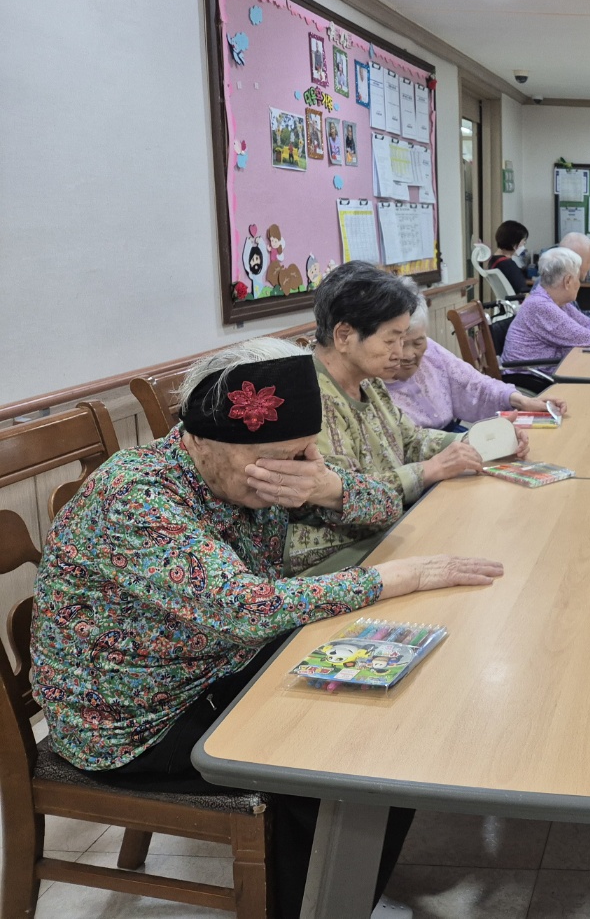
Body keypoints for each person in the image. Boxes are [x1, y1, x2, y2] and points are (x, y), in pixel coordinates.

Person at [30, 338, 505, 919]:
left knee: (388, 712)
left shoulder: (267, 467)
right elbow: (247, 608)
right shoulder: (137, 495)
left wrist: (328, 486)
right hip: (133, 717)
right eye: (281, 456)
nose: (293, 467)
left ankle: (340, 893)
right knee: (343, 765)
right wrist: (393, 577)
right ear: (201, 439)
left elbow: (383, 505)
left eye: (304, 452)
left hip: (218, 663)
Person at [288, 261, 527, 573]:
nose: (400, 353)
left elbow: (411, 439)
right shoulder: (311, 399)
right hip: (342, 558)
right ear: (344, 336)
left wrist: (482, 441)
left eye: (403, 339)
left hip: (391, 530)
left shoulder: (368, 381)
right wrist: (428, 470)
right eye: (391, 340)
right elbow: (346, 497)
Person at [385, 278, 566, 430]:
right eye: (399, 343)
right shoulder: (373, 386)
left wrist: (522, 401)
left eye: (418, 342)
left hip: (454, 438)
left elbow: (473, 383)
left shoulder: (431, 350)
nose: (408, 354)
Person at [502, 246, 590, 370]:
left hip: (552, 368)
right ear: (568, 281)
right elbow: (585, 337)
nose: (579, 283)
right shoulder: (541, 306)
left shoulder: (556, 301)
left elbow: (587, 324)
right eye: (578, 278)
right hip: (532, 376)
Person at [487, 220, 531, 295]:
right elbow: (523, 290)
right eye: (523, 241)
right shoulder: (508, 264)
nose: (524, 243)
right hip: (520, 300)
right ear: (514, 242)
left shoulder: (494, 260)